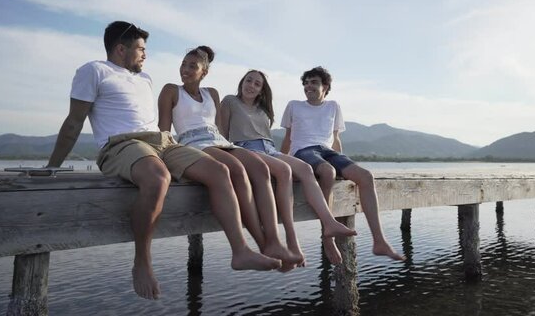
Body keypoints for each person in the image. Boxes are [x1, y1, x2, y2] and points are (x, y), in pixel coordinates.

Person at [44, 22, 280, 300]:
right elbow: (73, 123)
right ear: (121, 49)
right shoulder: (93, 71)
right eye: (141, 49)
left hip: (162, 140)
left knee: (219, 171)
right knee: (158, 178)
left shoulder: (144, 78)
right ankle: (142, 262)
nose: (145, 54)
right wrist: (52, 168)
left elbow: (160, 126)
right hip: (121, 143)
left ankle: (240, 251)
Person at [158, 46, 303, 270]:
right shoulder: (171, 90)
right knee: (235, 170)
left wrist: (229, 148)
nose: (185, 69)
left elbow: (219, 130)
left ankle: (274, 241)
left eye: (192, 66)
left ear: (204, 72)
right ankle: (260, 245)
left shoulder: (212, 94)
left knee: (259, 168)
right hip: (192, 143)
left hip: (219, 141)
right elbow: (164, 132)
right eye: (183, 64)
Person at [220, 70, 357, 265]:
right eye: (248, 81)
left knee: (305, 170)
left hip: (269, 148)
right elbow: (223, 135)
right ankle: (293, 243)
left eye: (257, 84)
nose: (251, 86)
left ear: (261, 90)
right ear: (242, 82)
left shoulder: (263, 108)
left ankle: (328, 223)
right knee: (284, 171)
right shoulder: (229, 101)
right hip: (245, 148)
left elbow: (279, 140)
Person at [280, 66, 405, 262]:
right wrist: (280, 162)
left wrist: (344, 164)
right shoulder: (294, 105)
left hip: (327, 151)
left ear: (325, 86)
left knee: (366, 176)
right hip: (303, 150)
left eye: (314, 82)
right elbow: (288, 138)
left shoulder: (333, 106)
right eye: (306, 83)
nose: (308, 86)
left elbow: (336, 139)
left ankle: (379, 241)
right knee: (327, 172)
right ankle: (327, 235)